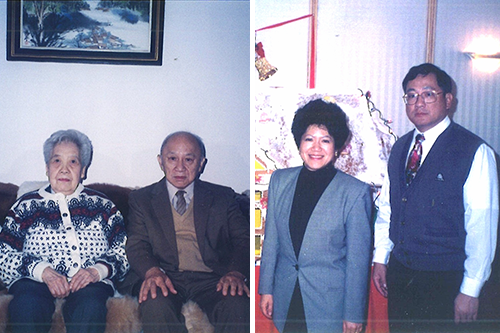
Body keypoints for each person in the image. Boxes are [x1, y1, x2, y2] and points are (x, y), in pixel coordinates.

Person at [372, 63, 499, 332]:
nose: (419, 102)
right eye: (411, 95)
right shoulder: (400, 147)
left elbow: (482, 224)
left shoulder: (475, 151)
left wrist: (471, 289)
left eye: (429, 93)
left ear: (448, 100)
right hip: (402, 272)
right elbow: (387, 208)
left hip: (446, 280)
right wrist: (381, 257)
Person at [258, 99, 373, 333]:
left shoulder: (355, 192)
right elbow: (272, 241)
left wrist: (353, 314)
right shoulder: (280, 180)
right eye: (309, 139)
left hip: (329, 303)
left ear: (337, 146)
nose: (316, 148)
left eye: (326, 140)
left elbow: (357, 261)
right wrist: (266, 289)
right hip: (286, 294)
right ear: (299, 142)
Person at [0, 129, 129, 333]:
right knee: (27, 305)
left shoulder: (103, 206)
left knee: (90, 307)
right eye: (57, 161)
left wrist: (96, 271)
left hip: (90, 285)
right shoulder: (24, 206)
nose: (64, 169)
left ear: (83, 170)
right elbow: (4, 254)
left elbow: (122, 252)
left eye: (73, 162)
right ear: (46, 167)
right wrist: (42, 271)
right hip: (34, 283)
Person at [124, 131, 250, 333]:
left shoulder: (222, 197)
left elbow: (244, 239)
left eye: (189, 159)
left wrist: (235, 273)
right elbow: (137, 243)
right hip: (164, 274)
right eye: (172, 158)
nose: (180, 167)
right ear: (160, 161)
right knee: (155, 303)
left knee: (237, 304)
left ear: (201, 163)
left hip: (213, 278)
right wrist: (152, 271)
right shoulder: (142, 199)